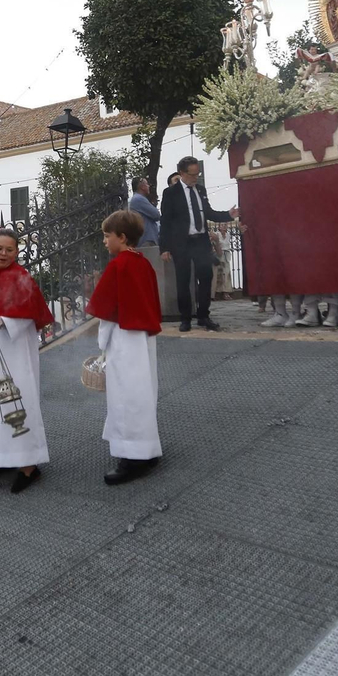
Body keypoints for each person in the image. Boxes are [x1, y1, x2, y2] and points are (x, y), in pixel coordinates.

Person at [0, 227, 53, 493]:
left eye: (9, 249)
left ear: (17, 252)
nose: (3, 253)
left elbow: (31, 314)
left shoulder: (21, 277)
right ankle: (0, 457)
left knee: (17, 399)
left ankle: (28, 465)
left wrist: (2, 321)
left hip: (15, 352)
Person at [87, 210, 164, 485]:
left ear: (122, 237)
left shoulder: (119, 265)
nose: (105, 242)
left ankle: (133, 458)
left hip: (123, 339)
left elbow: (106, 313)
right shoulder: (142, 263)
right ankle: (147, 449)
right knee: (143, 393)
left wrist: (102, 345)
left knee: (125, 397)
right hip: (143, 338)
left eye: (107, 236)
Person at [158, 156, 238, 332]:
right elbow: (166, 221)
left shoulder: (200, 190)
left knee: (206, 277)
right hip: (182, 243)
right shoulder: (171, 193)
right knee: (183, 281)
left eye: (198, 174)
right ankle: (185, 318)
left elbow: (208, 212)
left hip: (201, 241)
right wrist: (164, 247)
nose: (196, 178)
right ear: (182, 173)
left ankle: (203, 316)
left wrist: (228, 215)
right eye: (193, 174)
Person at [128, 177, 161, 248]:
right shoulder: (139, 199)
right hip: (147, 239)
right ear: (142, 187)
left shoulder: (137, 199)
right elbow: (156, 215)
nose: (148, 186)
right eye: (147, 184)